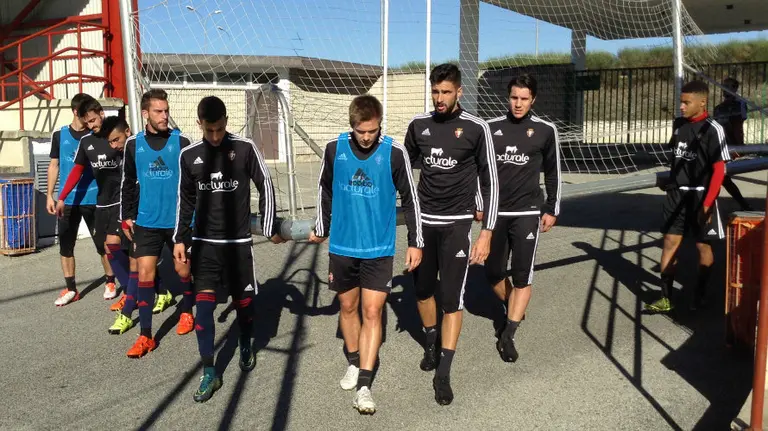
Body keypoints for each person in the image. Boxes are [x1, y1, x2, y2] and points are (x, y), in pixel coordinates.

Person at [309, 94, 423, 414]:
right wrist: (322, 225)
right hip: (342, 246)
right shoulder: (335, 149)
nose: (367, 137)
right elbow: (324, 189)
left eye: (373, 130)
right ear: (352, 126)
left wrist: (415, 242)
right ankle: (354, 360)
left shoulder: (394, 152)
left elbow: (410, 199)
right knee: (348, 307)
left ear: (379, 125)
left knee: (372, 312)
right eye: (361, 131)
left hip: (378, 248)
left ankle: (364, 386)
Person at [173, 96, 283, 402]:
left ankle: (245, 341)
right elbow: (185, 201)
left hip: (237, 245)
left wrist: (269, 225)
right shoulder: (189, 155)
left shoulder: (245, 148)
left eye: (220, 129)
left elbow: (265, 184)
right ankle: (210, 371)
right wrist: (180, 239)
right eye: (209, 130)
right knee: (204, 310)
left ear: (226, 122)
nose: (215, 136)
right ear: (200, 124)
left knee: (244, 304)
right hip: (205, 246)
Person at [403, 63, 499, 405]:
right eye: (435, 91)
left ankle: (443, 372)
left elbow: (491, 182)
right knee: (423, 291)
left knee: (452, 298)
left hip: (458, 224)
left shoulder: (476, 128)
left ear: (459, 91)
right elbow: (401, 170)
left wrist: (487, 232)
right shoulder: (419, 125)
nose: (439, 98)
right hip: (424, 223)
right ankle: (431, 340)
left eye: (446, 92)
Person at [485, 74, 561, 363]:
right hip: (497, 212)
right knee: (493, 272)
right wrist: (480, 203)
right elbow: (479, 170)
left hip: (528, 212)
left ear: (533, 100)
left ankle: (508, 334)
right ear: (508, 98)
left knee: (522, 274)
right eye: (514, 98)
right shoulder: (491, 128)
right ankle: (514, 304)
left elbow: (553, 172)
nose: (518, 104)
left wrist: (552, 208)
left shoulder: (545, 130)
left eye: (524, 99)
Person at [115, 89, 195, 358]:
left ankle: (187, 310)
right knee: (145, 274)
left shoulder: (181, 141)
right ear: (145, 113)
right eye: (158, 111)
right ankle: (146, 335)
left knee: (182, 270)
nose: (164, 116)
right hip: (147, 222)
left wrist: (193, 218)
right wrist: (127, 216)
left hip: (177, 222)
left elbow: (193, 183)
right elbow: (127, 182)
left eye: (166, 110)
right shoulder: (133, 144)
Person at [647, 80, 729, 313]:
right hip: (676, 195)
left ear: (702, 102)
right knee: (669, 243)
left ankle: (699, 294)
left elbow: (719, 170)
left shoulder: (714, 129)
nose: (681, 106)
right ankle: (666, 298)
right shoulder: (679, 124)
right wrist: (670, 180)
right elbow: (677, 158)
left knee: (703, 246)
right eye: (680, 102)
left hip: (701, 197)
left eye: (686, 102)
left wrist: (708, 203)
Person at [56, 100, 134, 314]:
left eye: (93, 120)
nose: (91, 125)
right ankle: (133, 289)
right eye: (87, 122)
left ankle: (134, 291)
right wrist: (61, 197)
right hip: (102, 202)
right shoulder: (86, 141)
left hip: (122, 201)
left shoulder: (116, 136)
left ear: (101, 113)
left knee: (122, 246)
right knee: (108, 248)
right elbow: (76, 171)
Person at [48, 93, 116, 306]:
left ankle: (110, 282)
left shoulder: (94, 135)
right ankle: (71, 289)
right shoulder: (60, 135)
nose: (89, 121)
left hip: (92, 198)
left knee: (102, 245)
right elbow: (54, 165)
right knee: (66, 246)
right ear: (76, 112)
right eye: (84, 114)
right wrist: (50, 195)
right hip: (68, 200)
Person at [713, 77, 752, 211]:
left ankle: (743, 204)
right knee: (721, 177)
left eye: (728, 86)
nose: (725, 89)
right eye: (724, 86)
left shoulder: (739, 104)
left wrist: (739, 146)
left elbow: (738, 126)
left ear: (735, 88)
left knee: (721, 176)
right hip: (720, 144)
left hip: (730, 144)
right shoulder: (719, 108)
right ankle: (743, 204)